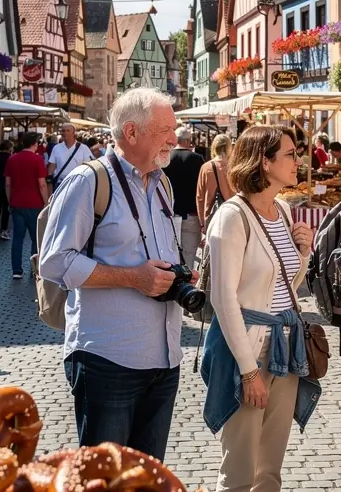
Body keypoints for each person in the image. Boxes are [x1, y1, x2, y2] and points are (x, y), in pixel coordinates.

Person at [202, 126, 316, 492]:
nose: (299, 161)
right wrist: (249, 371)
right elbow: (223, 298)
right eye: (290, 155)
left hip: (284, 350)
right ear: (264, 162)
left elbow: (285, 288)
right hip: (246, 352)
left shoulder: (283, 212)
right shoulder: (232, 218)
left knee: (270, 468)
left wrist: (304, 249)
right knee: (239, 470)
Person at [38, 89, 185, 459]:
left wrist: (177, 275)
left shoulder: (162, 182)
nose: (174, 139)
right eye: (165, 129)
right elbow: (54, 262)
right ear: (132, 133)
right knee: (105, 485)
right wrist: (133, 278)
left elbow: (153, 253)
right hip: (108, 359)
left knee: (146, 484)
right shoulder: (88, 181)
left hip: (164, 359)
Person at [5, 131, 49, 279]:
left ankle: (16, 270)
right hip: (34, 203)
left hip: (17, 203)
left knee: (17, 237)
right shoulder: (37, 160)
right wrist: (46, 202)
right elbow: (42, 184)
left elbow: (8, 183)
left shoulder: (12, 159)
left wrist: (10, 200)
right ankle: (34, 267)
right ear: (35, 144)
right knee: (36, 238)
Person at [164, 126, 204, 268]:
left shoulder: (166, 158)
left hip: (168, 213)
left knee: (169, 252)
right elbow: (201, 189)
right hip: (191, 214)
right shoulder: (198, 159)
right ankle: (185, 284)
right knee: (189, 254)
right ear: (188, 141)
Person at [197, 133, 233, 232]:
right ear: (229, 147)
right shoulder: (234, 167)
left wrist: (202, 223)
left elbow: (200, 197)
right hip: (233, 215)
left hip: (211, 216)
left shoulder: (206, 167)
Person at [47, 123, 92, 190]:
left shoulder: (83, 148)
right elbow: (51, 167)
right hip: (60, 184)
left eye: (68, 130)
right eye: (63, 130)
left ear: (74, 133)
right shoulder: (56, 148)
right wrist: (49, 184)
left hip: (77, 184)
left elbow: (89, 167)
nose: (64, 132)